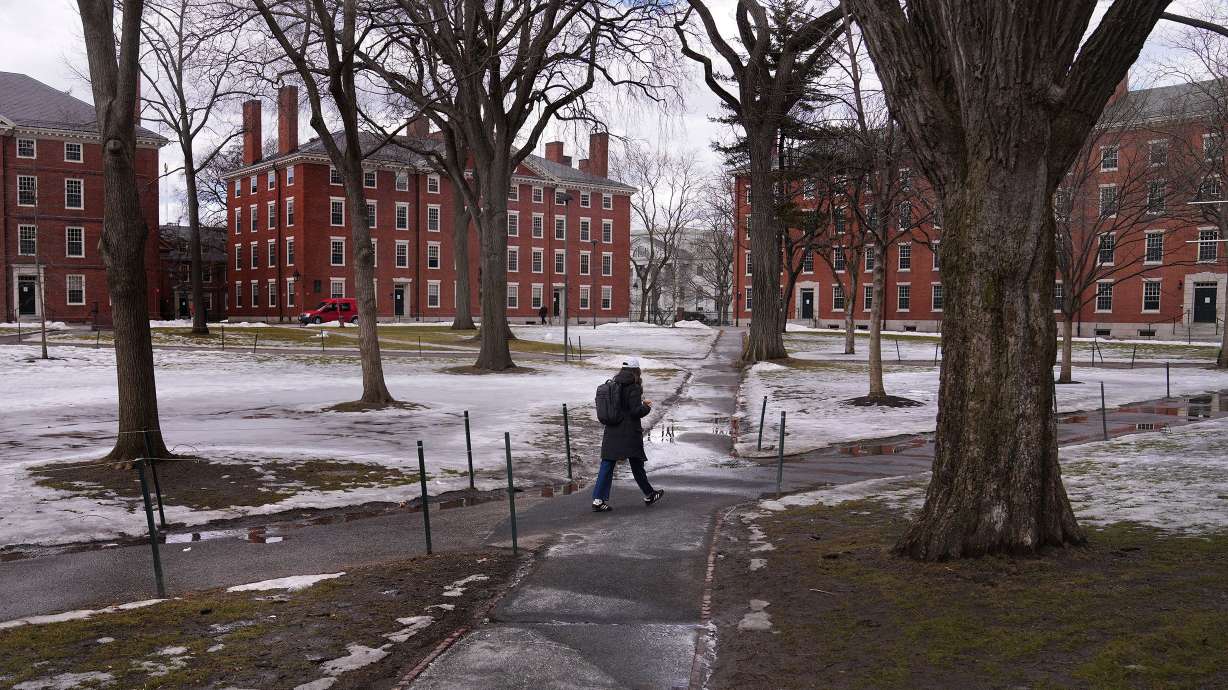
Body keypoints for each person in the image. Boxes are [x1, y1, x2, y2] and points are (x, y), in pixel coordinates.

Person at [592, 357, 665, 512]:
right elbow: (634, 412)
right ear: (636, 370)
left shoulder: (614, 383)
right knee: (637, 464)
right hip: (629, 433)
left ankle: (598, 499)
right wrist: (646, 407)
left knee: (607, 464)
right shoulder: (634, 387)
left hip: (612, 430)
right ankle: (649, 494)